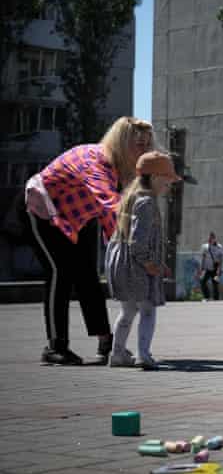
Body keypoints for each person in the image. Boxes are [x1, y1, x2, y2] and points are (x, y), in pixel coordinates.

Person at [24, 117, 154, 365]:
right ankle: (55, 347)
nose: (143, 150)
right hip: (44, 211)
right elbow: (111, 204)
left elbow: (110, 220)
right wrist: (141, 239)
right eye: (138, 144)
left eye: (147, 145)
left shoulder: (120, 170)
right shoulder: (93, 160)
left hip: (79, 218)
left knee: (87, 276)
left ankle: (106, 342)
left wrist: (126, 251)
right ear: (122, 143)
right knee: (59, 272)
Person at [105, 151, 180, 370]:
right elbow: (138, 242)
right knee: (147, 310)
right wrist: (149, 263)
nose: (169, 185)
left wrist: (158, 262)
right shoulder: (147, 202)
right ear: (155, 177)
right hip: (136, 267)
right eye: (168, 180)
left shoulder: (132, 197)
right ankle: (144, 355)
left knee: (127, 312)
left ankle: (117, 354)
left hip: (122, 264)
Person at [199, 232, 223, 301]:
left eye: (211, 238)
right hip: (207, 269)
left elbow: (221, 259)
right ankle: (207, 297)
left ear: (214, 239)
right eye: (209, 238)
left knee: (215, 283)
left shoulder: (219, 247)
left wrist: (219, 269)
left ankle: (216, 298)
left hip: (215, 269)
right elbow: (203, 258)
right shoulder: (205, 246)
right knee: (202, 281)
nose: (210, 239)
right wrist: (201, 268)